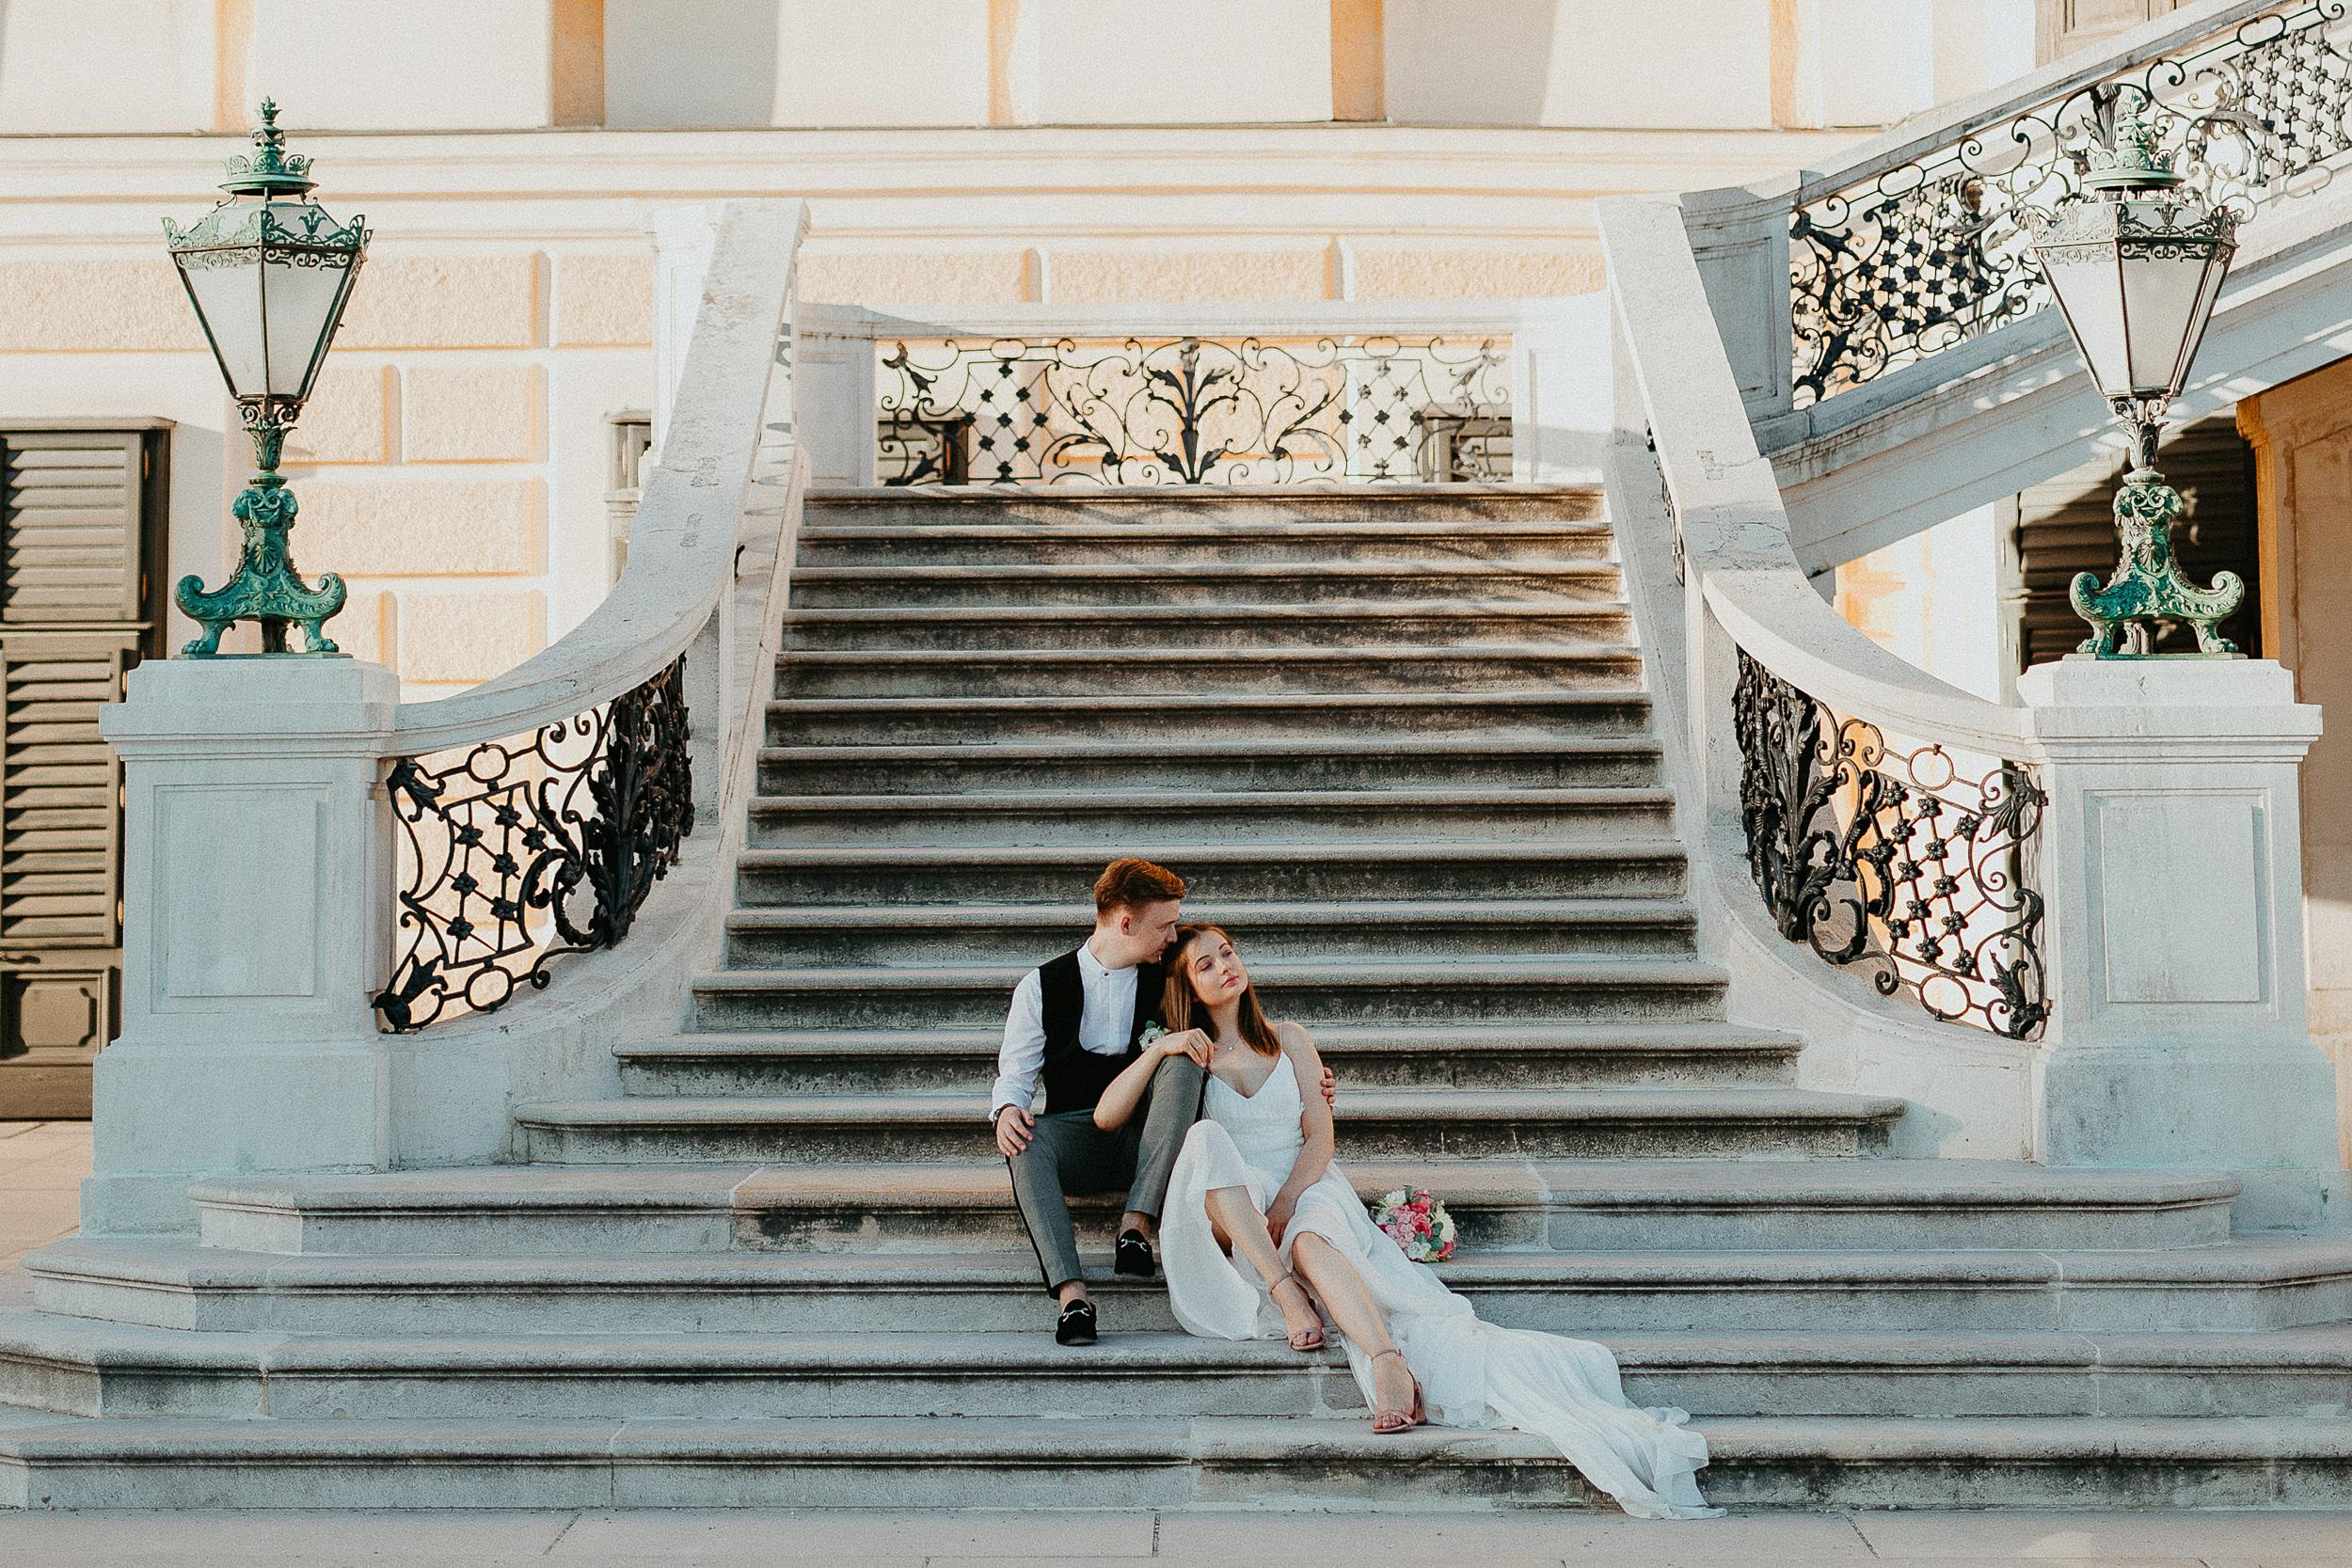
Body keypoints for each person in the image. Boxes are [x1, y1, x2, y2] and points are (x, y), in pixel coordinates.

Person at [1094, 923, 1721, 1520]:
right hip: (1238, 1207)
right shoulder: (1187, 1056)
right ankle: (1287, 1293)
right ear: (1188, 987)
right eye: (1206, 963)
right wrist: (1165, 1048)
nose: (1225, 965)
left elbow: (1319, 1138)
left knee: (1312, 1236)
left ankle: (1387, 1359)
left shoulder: (1290, 1038)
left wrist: (1288, 1199)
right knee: (1204, 1137)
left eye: (1228, 952)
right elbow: (1106, 1115)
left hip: (1305, 1183)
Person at [992, 857, 1200, 1346]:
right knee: (1023, 1138)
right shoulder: (1041, 986)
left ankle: (1136, 1224)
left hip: (1153, 1143)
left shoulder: (1172, 977)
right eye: (1165, 926)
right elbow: (1016, 1076)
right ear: (1126, 923)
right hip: (1076, 1137)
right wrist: (1005, 1111)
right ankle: (1073, 1298)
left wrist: (1291, 1072)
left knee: (1184, 1056)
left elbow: (1232, 1031)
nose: (1174, 937)